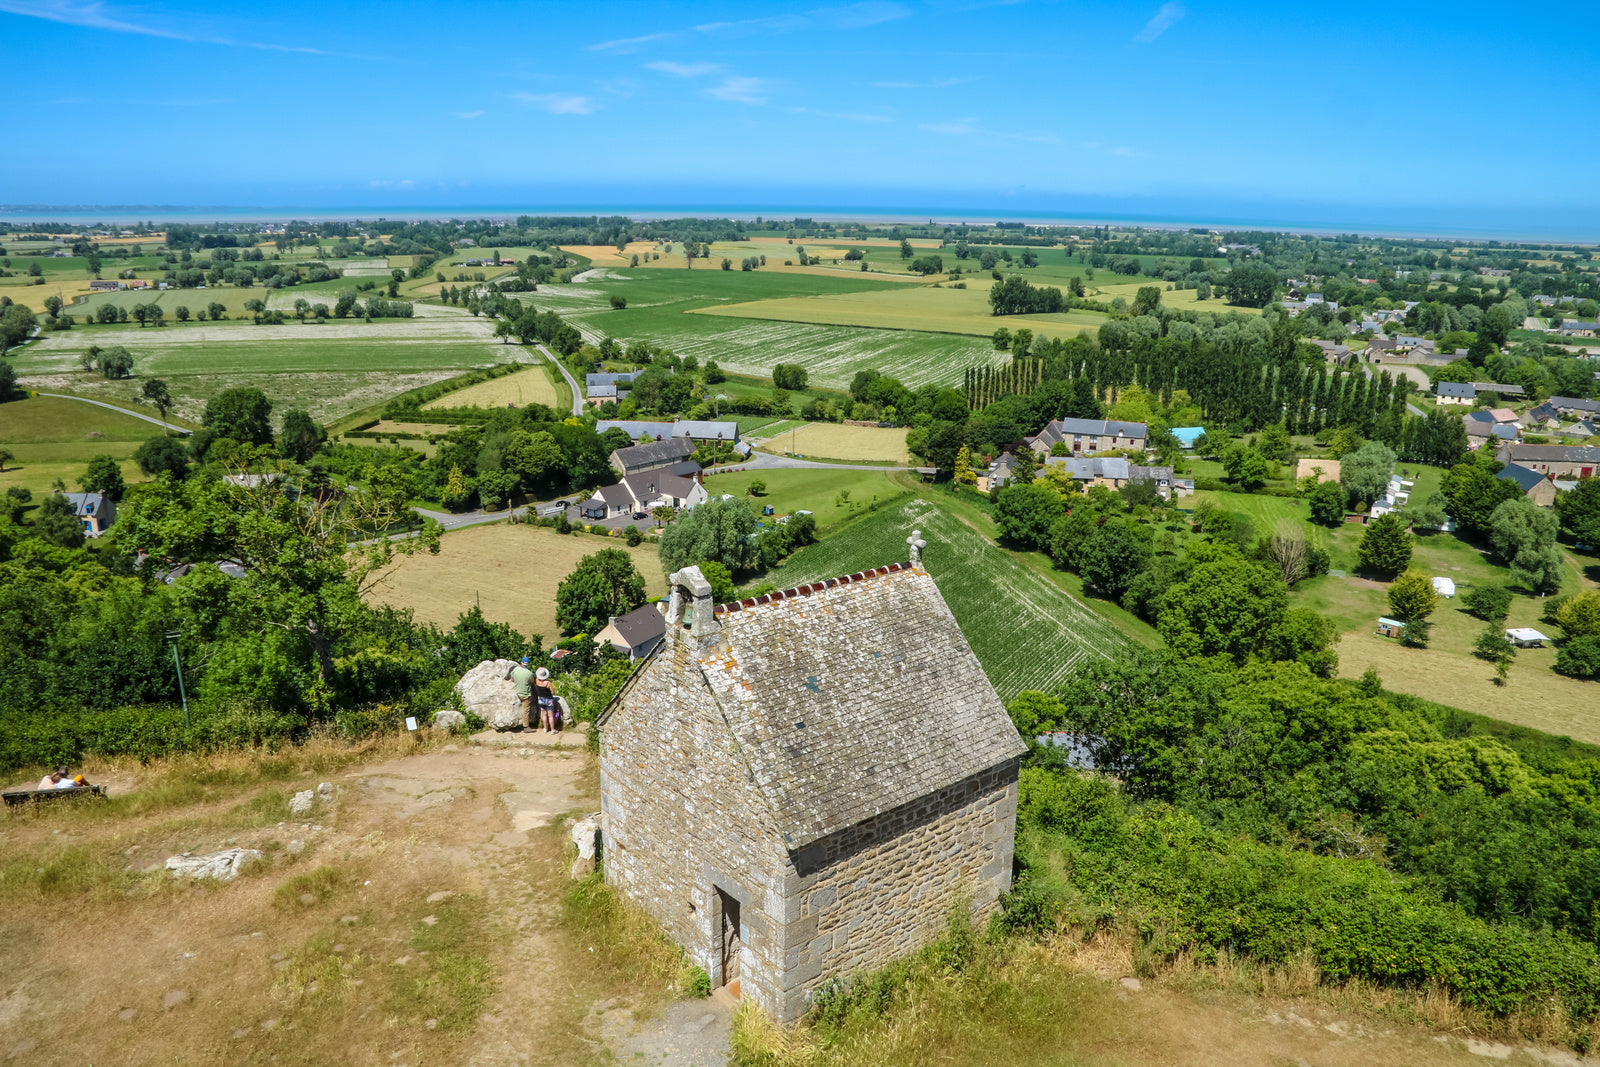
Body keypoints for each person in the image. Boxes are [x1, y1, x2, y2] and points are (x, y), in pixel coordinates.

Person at [511, 656, 535, 730]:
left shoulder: (515, 669)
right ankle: (526, 726)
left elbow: (512, 679)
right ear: (528, 664)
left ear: (521, 662)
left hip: (516, 691)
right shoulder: (529, 673)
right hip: (525, 694)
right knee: (526, 710)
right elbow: (532, 683)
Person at [534, 667, 558, 733]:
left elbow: (537, 675)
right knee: (550, 715)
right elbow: (553, 692)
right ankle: (552, 729)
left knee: (544, 714)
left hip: (541, 699)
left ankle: (545, 728)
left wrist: (539, 669)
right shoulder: (548, 683)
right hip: (548, 700)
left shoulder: (537, 680)